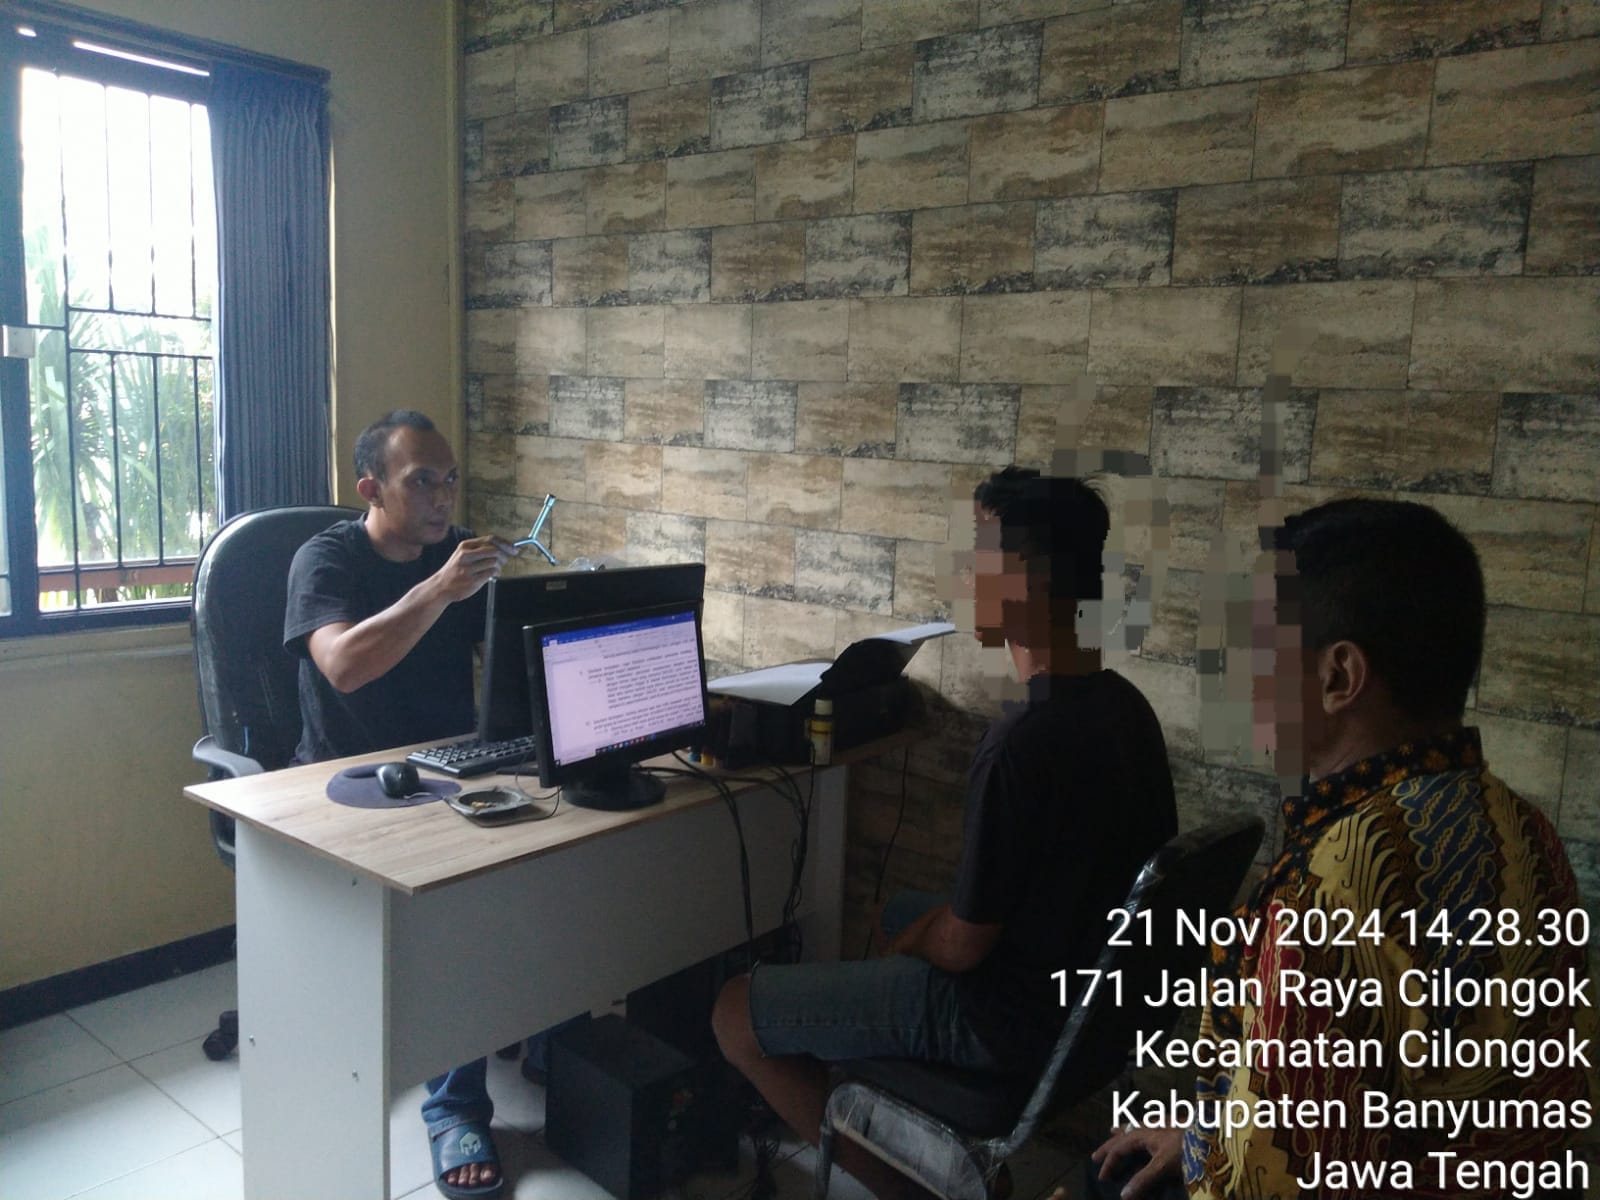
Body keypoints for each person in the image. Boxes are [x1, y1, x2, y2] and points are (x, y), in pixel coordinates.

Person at [1090, 498, 1598, 1200]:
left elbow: (1272, 1185)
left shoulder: (1334, 887)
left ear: (1338, 677)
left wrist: (1220, 1153)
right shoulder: (1526, 832)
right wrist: (1209, 1133)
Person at [712, 467, 1179, 1198]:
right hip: (1092, 1015)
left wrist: (919, 940)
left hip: (1010, 1021)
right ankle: (904, 1110)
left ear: (1025, 580)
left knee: (734, 1012)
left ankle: (923, 1190)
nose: (965, 578)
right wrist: (918, 929)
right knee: (897, 911)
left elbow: (963, 944)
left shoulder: (1020, 744)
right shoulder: (1126, 709)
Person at [284, 410, 516, 1199]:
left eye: (450, 479)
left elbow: (512, 656)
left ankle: (554, 1033)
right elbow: (345, 666)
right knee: (461, 915)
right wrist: (441, 588)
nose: (444, 496)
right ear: (371, 489)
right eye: (422, 481)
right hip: (345, 786)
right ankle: (455, 1109)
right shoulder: (326, 559)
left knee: (559, 856)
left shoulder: (462, 552)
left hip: (451, 770)